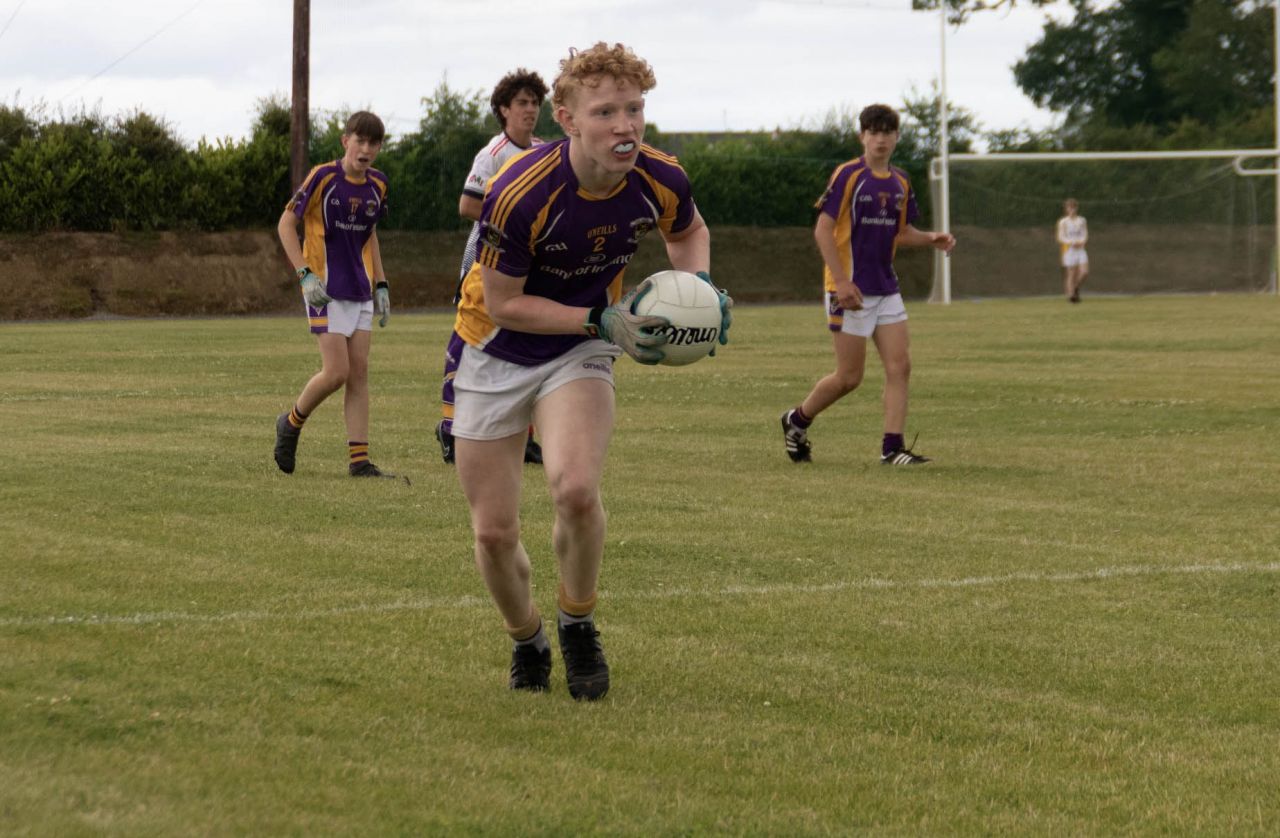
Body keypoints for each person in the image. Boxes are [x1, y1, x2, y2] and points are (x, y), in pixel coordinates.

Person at [450, 42, 731, 700]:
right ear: (567, 117)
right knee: (493, 532)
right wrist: (599, 319)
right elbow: (504, 303)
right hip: (494, 347)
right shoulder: (518, 194)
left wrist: (701, 294)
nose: (626, 125)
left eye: (635, 109)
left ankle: (577, 622)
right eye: (606, 111)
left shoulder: (660, 176)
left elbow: (688, 231)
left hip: (579, 349)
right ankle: (528, 639)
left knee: (575, 490)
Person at [780, 103, 955, 467]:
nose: (880, 139)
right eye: (873, 132)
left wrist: (932, 238)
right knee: (849, 378)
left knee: (900, 366)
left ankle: (892, 448)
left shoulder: (901, 181)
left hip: (886, 287)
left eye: (887, 132)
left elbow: (902, 232)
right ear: (862, 136)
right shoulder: (848, 175)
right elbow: (823, 229)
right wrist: (841, 282)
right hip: (850, 292)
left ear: (896, 138)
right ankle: (796, 421)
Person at [272, 111, 397, 480]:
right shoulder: (323, 177)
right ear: (345, 142)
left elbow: (370, 233)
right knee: (336, 372)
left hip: (360, 289)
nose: (366, 149)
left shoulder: (379, 184)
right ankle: (291, 422)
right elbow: (285, 224)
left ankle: (359, 461)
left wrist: (382, 283)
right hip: (323, 288)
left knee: (358, 373)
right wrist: (304, 273)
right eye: (359, 140)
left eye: (373, 143)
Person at [436, 69, 550, 467]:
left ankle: (527, 436)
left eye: (535, 102)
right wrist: (514, 215)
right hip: (484, 260)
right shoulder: (494, 153)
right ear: (503, 110)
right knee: (466, 343)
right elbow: (467, 205)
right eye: (522, 102)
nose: (530, 110)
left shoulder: (542, 150)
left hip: (528, 263)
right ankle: (449, 427)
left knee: (529, 343)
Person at [1057, 198, 1088, 303]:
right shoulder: (1063, 222)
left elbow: (1084, 234)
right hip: (1069, 250)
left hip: (1080, 249)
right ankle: (1071, 297)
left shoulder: (1082, 220)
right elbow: (1061, 237)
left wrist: (1081, 242)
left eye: (1073, 207)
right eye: (1069, 208)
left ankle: (1075, 288)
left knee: (1084, 272)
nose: (1072, 210)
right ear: (1066, 209)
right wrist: (1071, 243)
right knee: (1071, 273)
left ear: (1076, 208)